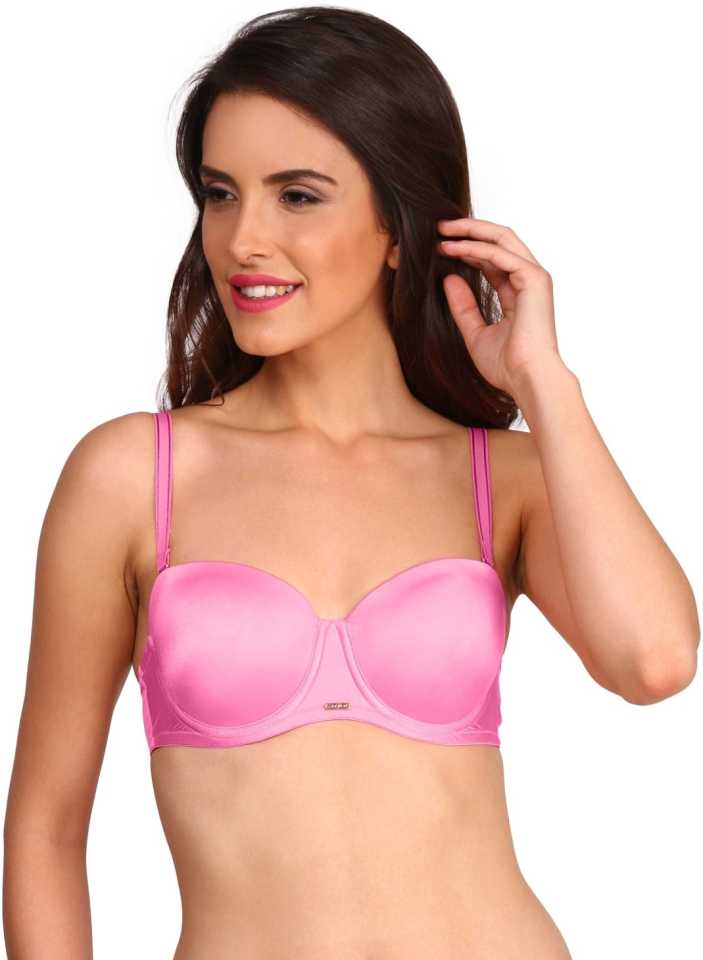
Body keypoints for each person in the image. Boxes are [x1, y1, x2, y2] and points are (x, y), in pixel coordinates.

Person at [3, 7, 698, 958]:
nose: (243, 239)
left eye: (297, 196)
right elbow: (45, 829)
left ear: (398, 230)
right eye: (219, 193)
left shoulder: (503, 477)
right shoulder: (134, 476)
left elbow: (654, 663)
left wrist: (545, 384)